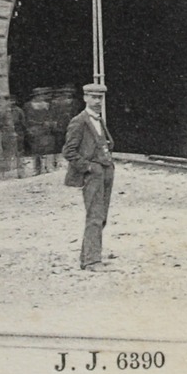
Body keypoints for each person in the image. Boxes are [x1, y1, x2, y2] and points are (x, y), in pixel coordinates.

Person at [62, 83, 116, 271]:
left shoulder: (98, 120)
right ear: (85, 98)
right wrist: (88, 167)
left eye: (100, 98)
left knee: (101, 216)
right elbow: (68, 151)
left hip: (105, 172)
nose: (97, 101)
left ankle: (88, 257)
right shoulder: (79, 121)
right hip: (93, 175)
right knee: (95, 215)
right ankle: (92, 261)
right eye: (93, 97)